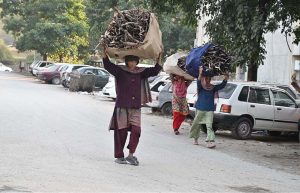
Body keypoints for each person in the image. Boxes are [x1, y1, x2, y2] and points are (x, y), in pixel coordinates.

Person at [102, 46, 162, 166]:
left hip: (135, 107)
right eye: (130, 61)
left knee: (136, 131)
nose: (132, 63)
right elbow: (108, 65)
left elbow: (155, 70)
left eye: (135, 61)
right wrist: (104, 54)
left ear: (137, 62)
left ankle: (131, 154)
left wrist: (159, 58)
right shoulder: (120, 71)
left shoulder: (141, 72)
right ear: (127, 61)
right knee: (121, 132)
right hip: (122, 106)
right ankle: (119, 156)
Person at [189, 67, 229, 148]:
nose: (207, 80)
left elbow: (222, 85)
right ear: (204, 79)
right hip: (200, 108)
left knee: (209, 126)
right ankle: (195, 138)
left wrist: (226, 78)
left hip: (209, 109)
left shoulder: (213, 88)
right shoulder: (200, 87)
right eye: (206, 78)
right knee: (197, 124)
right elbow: (198, 81)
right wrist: (200, 73)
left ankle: (210, 141)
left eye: (209, 79)